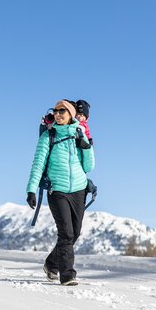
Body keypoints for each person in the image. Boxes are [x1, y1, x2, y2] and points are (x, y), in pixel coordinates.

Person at [26, 100, 95, 286]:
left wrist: (86, 146)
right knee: (66, 233)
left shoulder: (79, 133)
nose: (57, 114)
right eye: (55, 111)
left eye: (62, 111)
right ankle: (67, 275)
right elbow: (38, 164)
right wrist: (31, 189)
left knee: (75, 233)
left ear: (71, 114)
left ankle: (51, 264)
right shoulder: (48, 135)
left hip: (79, 190)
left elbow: (89, 166)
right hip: (57, 190)